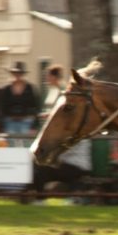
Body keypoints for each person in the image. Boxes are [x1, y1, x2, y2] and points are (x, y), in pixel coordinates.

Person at [32, 64, 92, 195]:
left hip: (75, 164)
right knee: (40, 166)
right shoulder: (54, 91)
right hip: (71, 161)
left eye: (47, 76)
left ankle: (40, 199)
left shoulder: (62, 92)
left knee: (41, 170)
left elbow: (68, 146)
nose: (46, 79)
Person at [0, 61, 39, 142]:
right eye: (15, 73)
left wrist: (34, 126)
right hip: (10, 122)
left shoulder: (30, 88)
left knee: (26, 144)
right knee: (11, 145)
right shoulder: (7, 89)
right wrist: (1, 126)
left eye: (19, 73)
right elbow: (2, 108)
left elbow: (36, 107)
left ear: (23, 74)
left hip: (26, 122)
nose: (17, 75)